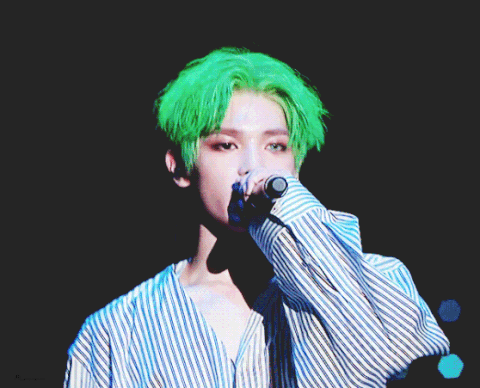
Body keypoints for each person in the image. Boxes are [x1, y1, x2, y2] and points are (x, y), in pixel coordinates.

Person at [63, 47, 449, 387]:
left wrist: (287, 213)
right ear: (179, 166)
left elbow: (390, 364)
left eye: (276, 146)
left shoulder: (378, 282)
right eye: (225, 145)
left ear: (296, 166)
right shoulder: (114, 332)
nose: (253, 167)